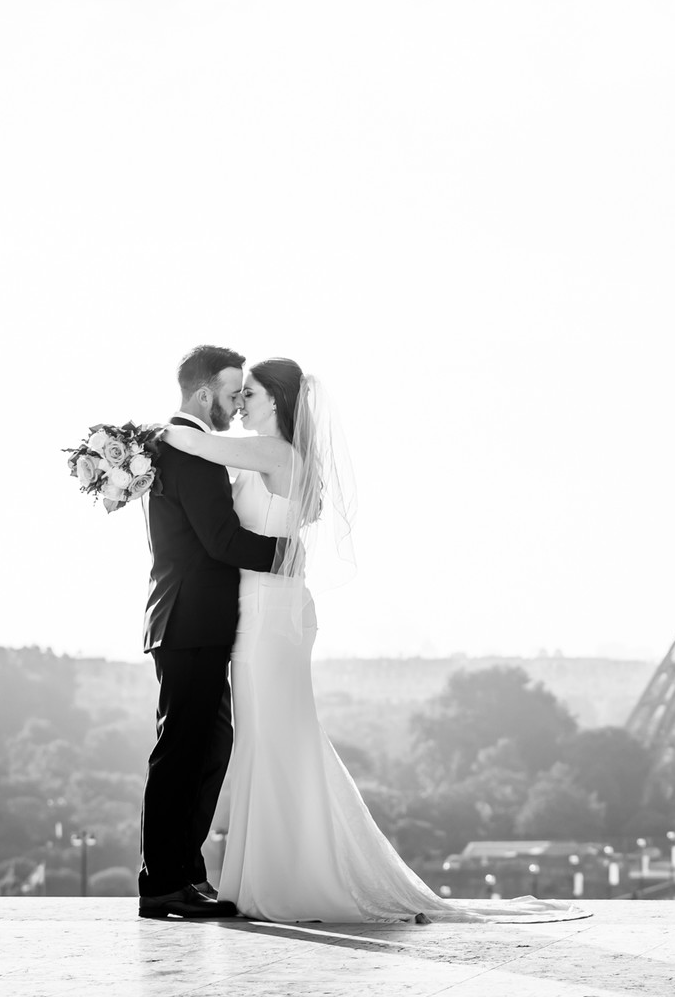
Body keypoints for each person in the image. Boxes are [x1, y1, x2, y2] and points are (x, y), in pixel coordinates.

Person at [158, 357, 582, 924]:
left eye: (250, 395)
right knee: (273, 740)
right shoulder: (278, 457)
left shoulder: (273, 453)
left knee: (273, 741)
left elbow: (196, 447)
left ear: (278, 403)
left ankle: (281, 876)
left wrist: (140, 443)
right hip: (270, 610)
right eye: (238, 395)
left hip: (268, 616)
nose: (240, 405)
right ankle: (279, 872)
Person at [139, 345, 294, 920]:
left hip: (193, 621)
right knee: (182, 754)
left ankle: (185, 874)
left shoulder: (181, 448)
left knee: (208, 748)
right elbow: (222, 542)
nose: (236, 404)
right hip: (190, 622)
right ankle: (161, 884)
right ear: (205, 393)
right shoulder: (191, 453)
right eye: (233, 393)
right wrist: (289, 555)